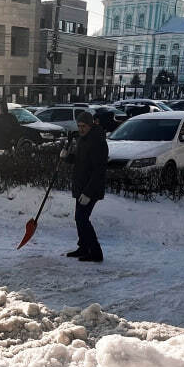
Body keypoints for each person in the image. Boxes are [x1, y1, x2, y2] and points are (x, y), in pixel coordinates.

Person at [65, 109, 107, 262]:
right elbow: (79, 160)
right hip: (81, 186)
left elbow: (99, 170)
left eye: (83, 126)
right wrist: (67, 157)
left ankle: (96, 252)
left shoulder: (97, 142)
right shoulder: (83, 139)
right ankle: (83, 247)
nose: (80, 128)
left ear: (90, 125)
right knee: (79, 218)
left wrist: (88, 192)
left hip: (91, 188)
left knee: (82, 218)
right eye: (79, 125)